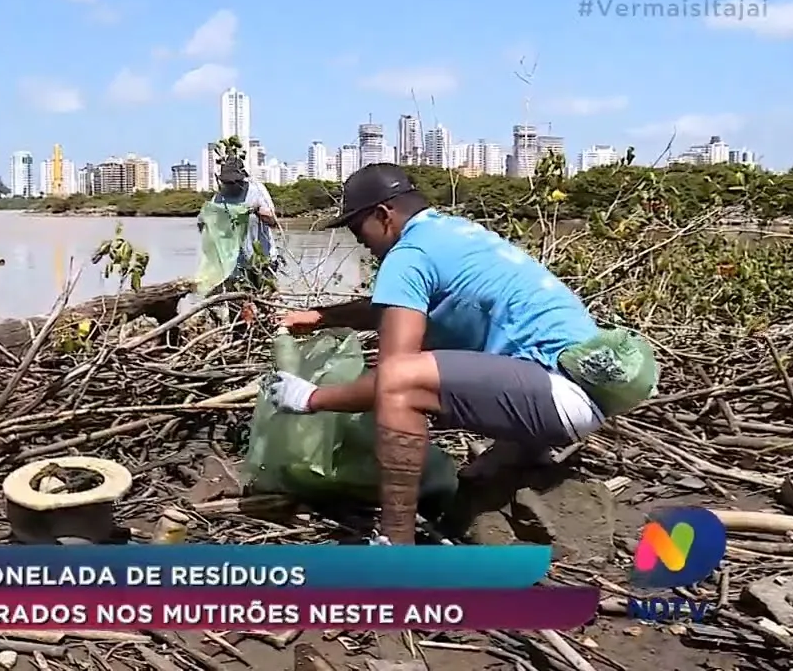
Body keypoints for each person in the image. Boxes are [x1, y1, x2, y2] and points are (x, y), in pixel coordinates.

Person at [268, 163, 657, 545]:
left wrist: (310, 398)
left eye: (357, 228)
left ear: (383, 216)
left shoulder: (409, 253)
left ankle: (395, 543)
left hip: (558, 396)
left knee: (401, 383)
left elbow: (395, 374)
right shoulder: (452, 232)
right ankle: (518, 462)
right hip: (577, 390)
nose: (359, 242)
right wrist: (324, 316)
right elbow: (394, 308)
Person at [203, 156, 281, 288]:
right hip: (234, 266)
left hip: (262, 259)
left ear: (243, 178)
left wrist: (260, 212)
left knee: (266, 298)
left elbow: (274, 222)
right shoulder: (218, 198)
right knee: (239, 303)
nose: (231, 185)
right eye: (228, 182)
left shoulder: (257, 190)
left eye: (235, 182)